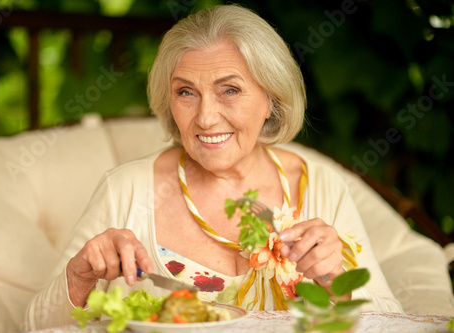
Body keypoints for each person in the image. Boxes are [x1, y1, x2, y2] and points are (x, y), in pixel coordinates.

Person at [25, 4, 403, 330]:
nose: (205, 118)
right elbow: (32, 326)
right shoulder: (125, 189)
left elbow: (394, 323)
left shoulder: (320, 186)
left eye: (230, 90)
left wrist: (337, 282)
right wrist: (78, 278)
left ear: (272, 99)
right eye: (186, 92)